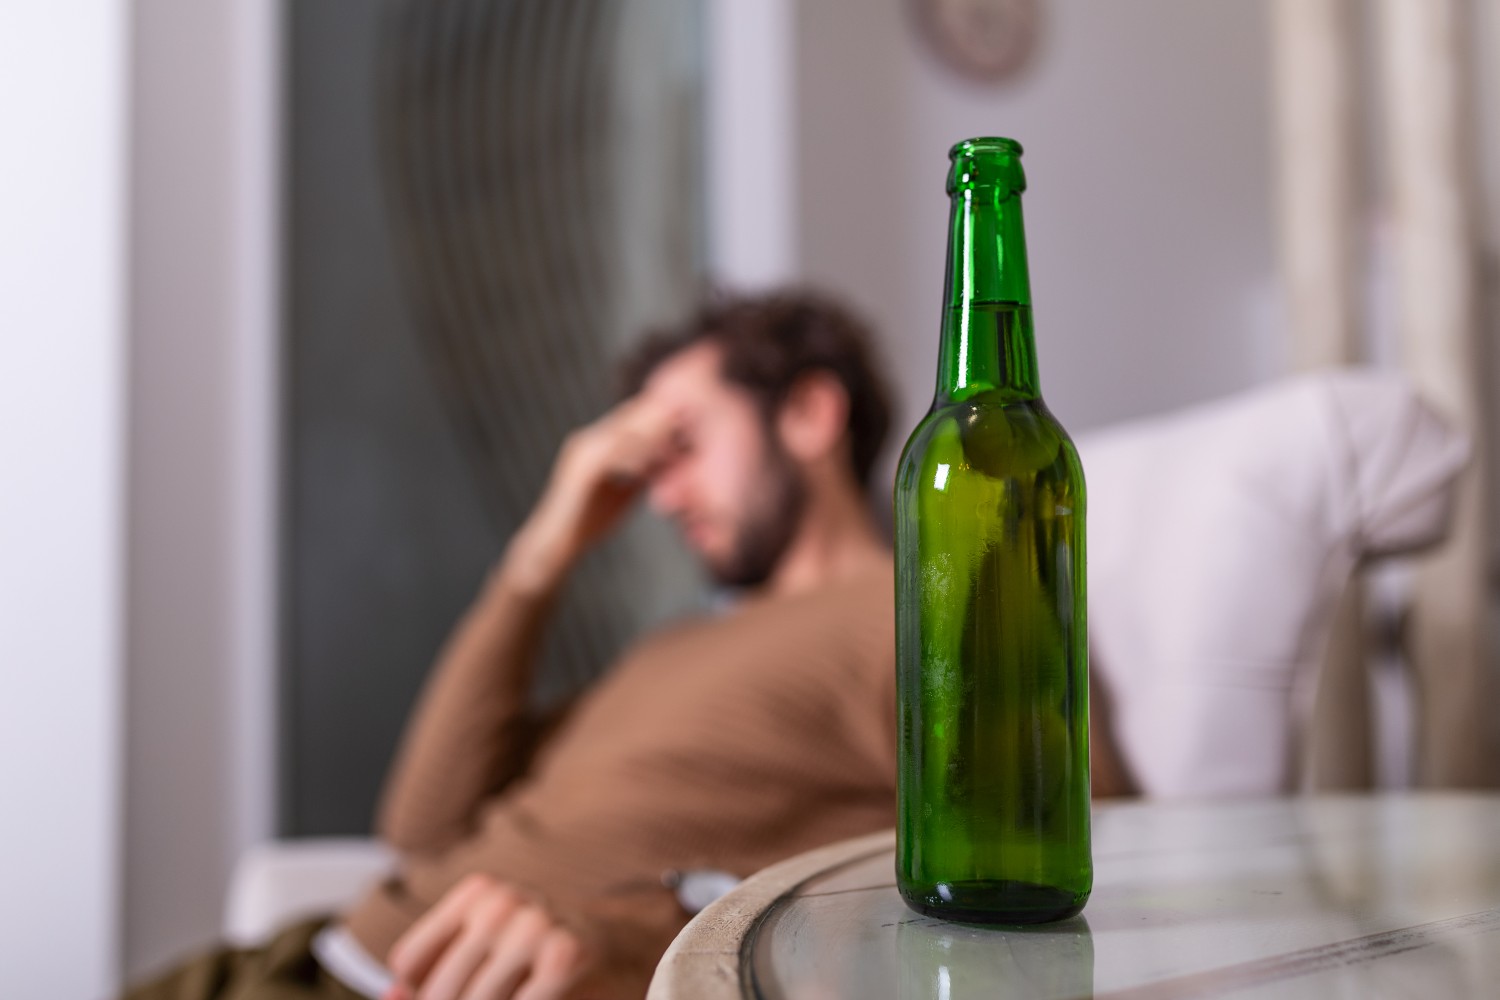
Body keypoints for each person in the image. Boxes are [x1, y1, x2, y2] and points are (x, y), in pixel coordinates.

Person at [127, 290, 1132, 1000]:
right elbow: (423, 824)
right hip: (287, 961)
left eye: (682, 444)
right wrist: (541, 552)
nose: (661, 493)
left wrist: (675, 921)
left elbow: (1093, 863)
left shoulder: (927, 609)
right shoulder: (672, 649)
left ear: (810, 412)